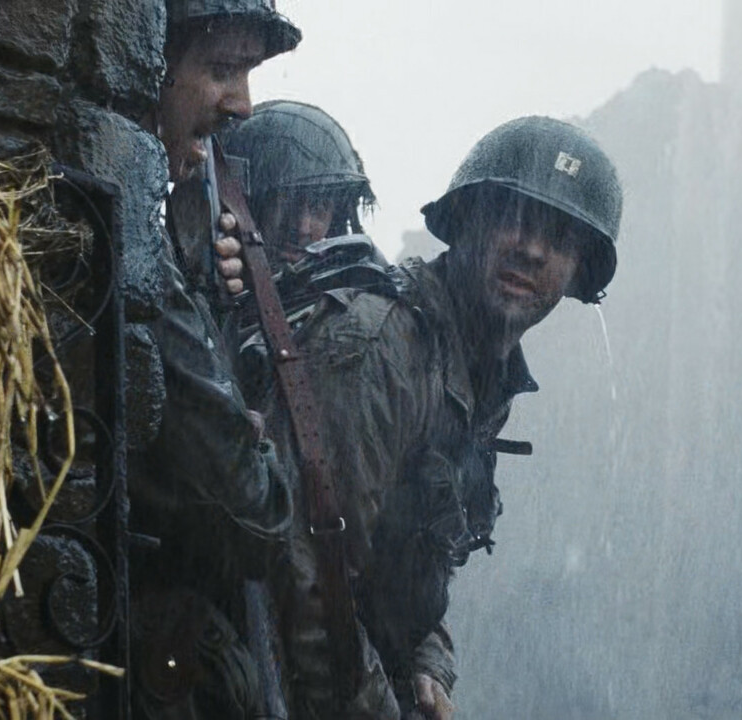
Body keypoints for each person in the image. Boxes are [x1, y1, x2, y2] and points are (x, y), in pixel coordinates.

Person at [273, 116, 623, 719]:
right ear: (466, 222)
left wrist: (430, 659)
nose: (532, 249)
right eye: (514, 218)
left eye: (560, 239)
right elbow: (306, 580)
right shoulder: (381, 348)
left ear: (577, 274)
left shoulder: (479, 370)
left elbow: (408, 561)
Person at [128, 3, 301, 718]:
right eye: (222, 69)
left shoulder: (159, 228)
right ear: (146, 66)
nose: (243, 103)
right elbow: (260, 510)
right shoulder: (134, 240)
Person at [218, 100, 382, 410]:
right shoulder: (208, 290)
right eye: (288, 203)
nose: (302, 227)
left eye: (319, 208)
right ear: (252, 203)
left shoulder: (349, 306)